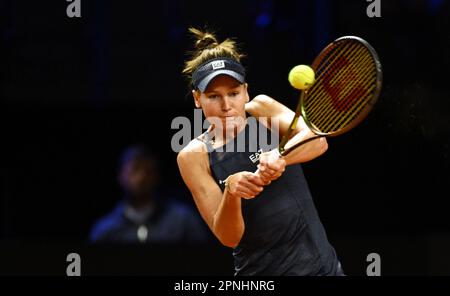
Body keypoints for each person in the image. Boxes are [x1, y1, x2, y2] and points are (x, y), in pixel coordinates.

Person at [177, 28, 344, 275]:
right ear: (197, 99)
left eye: (233, 93)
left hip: (323, 269)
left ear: (245, 91)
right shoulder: (193, 156)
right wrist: (232, 192)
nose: (226, 106)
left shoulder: (261, 109)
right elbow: (229, 238)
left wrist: (281, 156)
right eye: (214, 96)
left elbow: (319, 141)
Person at [90, 144, 209, 244]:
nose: (141, 177)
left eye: (148, 170)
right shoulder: (105, 230)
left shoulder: (183, 221)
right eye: (134, 170)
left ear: (157, 176)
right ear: (120, 176)